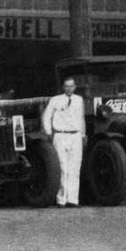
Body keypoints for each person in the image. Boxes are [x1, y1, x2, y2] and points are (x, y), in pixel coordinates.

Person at [42, 76, 86, 207]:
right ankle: (61, 199)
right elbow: (47, 115)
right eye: (67, 86)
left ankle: (73, 199)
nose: (69, 88)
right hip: (60, 135)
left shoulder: (79, 100)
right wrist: (49, 132)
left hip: (75, 136)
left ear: (75, 87)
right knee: (62, 167)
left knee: (74, 168)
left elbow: (81, 118)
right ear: (63, 87)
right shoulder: (56, 100)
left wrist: (83, 134)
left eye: (71, 86)